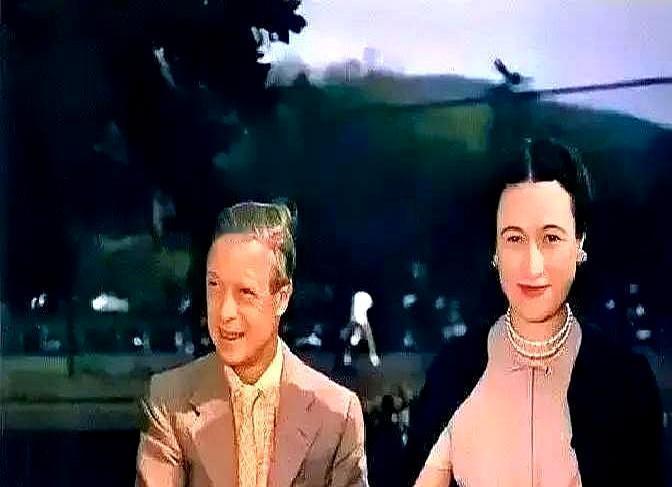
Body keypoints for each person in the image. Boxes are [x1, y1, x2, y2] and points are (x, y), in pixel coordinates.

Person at [408, 139, 664, 486]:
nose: (533, 266)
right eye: (514, 239)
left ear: (580, 242)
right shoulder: (451, 374)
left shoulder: (626, 384)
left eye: (551, 238)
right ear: (495, 247)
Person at [136, 201, 368, 487]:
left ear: (281, 298)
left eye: (245, 292)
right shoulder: (169, 401)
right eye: (214, 286)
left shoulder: (337, 413)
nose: (225, 312)